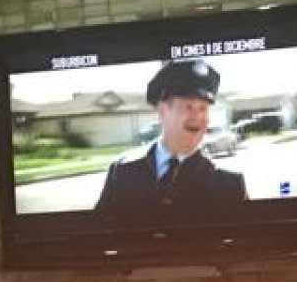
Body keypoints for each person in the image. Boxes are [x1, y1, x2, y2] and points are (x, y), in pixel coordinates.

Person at [93, 58, 249, 225]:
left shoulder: (228, 185)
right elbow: (97, 230)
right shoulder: (122, 172)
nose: (197, 117)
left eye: (203, 108)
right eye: (189, 107)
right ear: (162, 110)